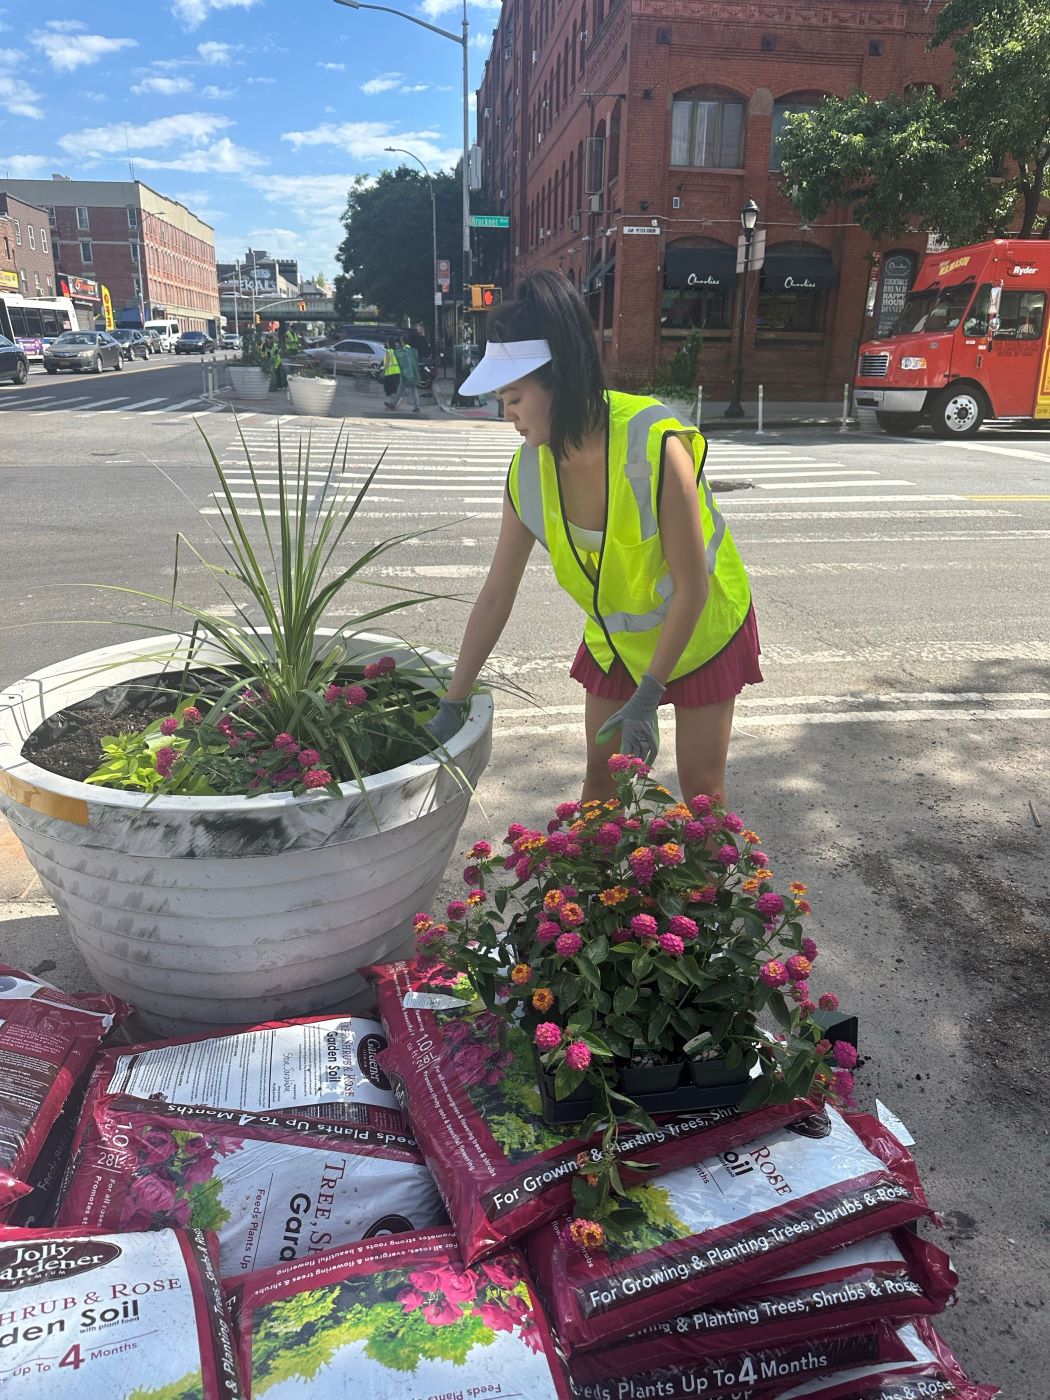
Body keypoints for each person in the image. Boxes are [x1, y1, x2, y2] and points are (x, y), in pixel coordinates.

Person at [425, 269, 762, 806]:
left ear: (561, 377)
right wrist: (453, 699)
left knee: (702, 793)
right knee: (601, 783)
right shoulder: (528, 471)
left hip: (701, 631)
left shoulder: (653, 444)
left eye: (513, 396)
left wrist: (650, 694)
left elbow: (692, 587)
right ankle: (594, 891)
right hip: (618, 642)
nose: (505, 413)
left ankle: (708, 892)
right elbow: (495, 594)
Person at [391, 336, 422, 413]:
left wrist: (395, 351)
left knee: (406, 390)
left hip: (407, 374)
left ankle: (394, 404)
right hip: (412, 373)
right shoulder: (412, 350)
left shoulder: (405, 351)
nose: (400, 342)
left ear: (403, 341)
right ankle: (416, 406)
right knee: (407, 389)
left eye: (401, 340)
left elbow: (403, 360)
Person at [382, 338, 401, 406]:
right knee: (393, 388)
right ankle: (392, 402)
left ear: (389, 343)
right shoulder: (396, 351)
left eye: (387, 342)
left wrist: (384, 370)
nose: (386, 344)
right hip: (397, 372)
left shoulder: (389, 351)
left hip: (390, 373)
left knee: (387, 388)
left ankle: (397, 400)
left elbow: (387, 363)